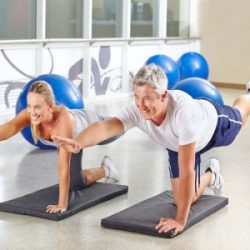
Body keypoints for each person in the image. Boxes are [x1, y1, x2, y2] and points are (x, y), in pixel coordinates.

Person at [52, 63, 250, 235]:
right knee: (181, 200)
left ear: (163, 96)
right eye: (137, 97)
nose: (141, 105)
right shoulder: (138, 109)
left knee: (241, 116)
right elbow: (108, 126)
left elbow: (187, 168)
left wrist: (181, 220)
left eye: (147, 98)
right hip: (176, 144)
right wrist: (78, 143)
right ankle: (211, 175)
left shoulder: (183, 114)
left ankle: (248, 94)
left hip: (213, 125)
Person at [0, 81, 120, 214]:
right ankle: (106, 169)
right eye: (29, 106)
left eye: (37, 107)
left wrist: (62, 204)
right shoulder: (29, 114)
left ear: (50, 106)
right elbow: (6, 130)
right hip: (71, 143)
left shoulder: (64, 120)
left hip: (97, 126)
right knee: (75, 184)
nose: (32, 112)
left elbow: (64, 164)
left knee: (122, 125)